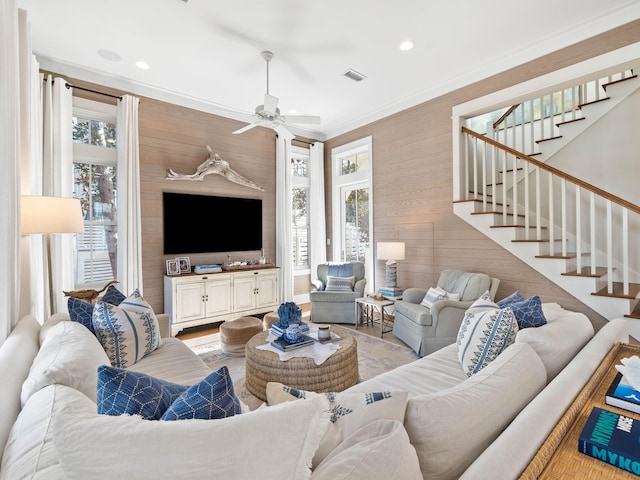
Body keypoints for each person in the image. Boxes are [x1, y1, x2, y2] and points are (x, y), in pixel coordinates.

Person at [166, 145, 264, 191]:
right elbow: (211, 154)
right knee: (195, 176)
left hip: (214, 169)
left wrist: (255, 186)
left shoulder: (225, 170)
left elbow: (241, 180)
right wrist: (211, 152)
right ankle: (173, 176)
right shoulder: (224, 164)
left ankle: (173, 177)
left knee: (195, 176)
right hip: (213, 167)